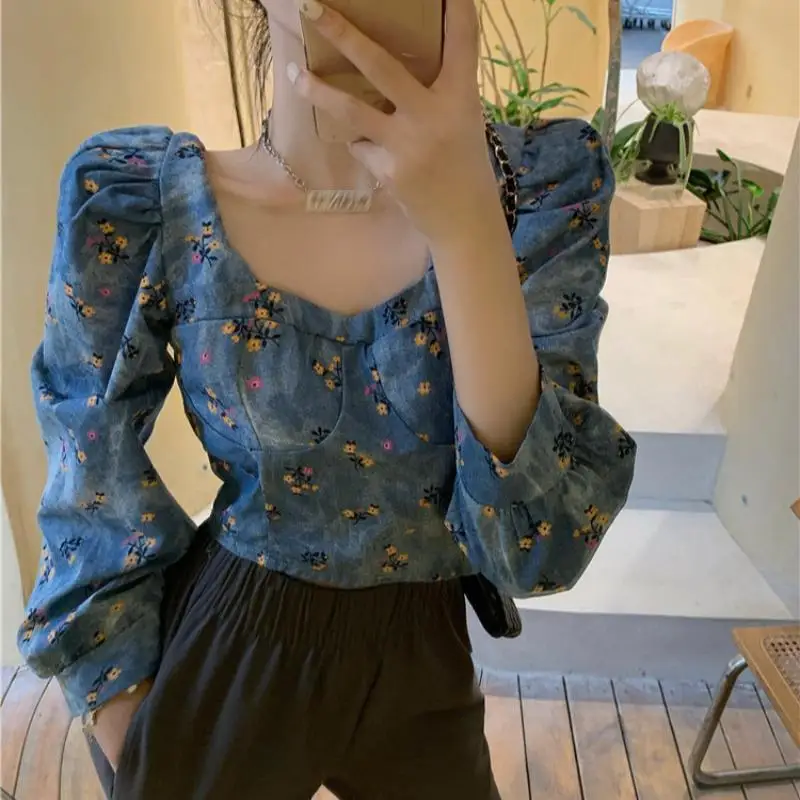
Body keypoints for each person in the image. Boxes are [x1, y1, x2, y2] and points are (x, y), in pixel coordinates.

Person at [19, 0, 636, 797]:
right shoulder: (148, 205)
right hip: (235, 641)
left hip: (427, 657)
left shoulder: (540, 194)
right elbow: (87, 472)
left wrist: (467, 227)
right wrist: (133, 726)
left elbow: (539, 547)